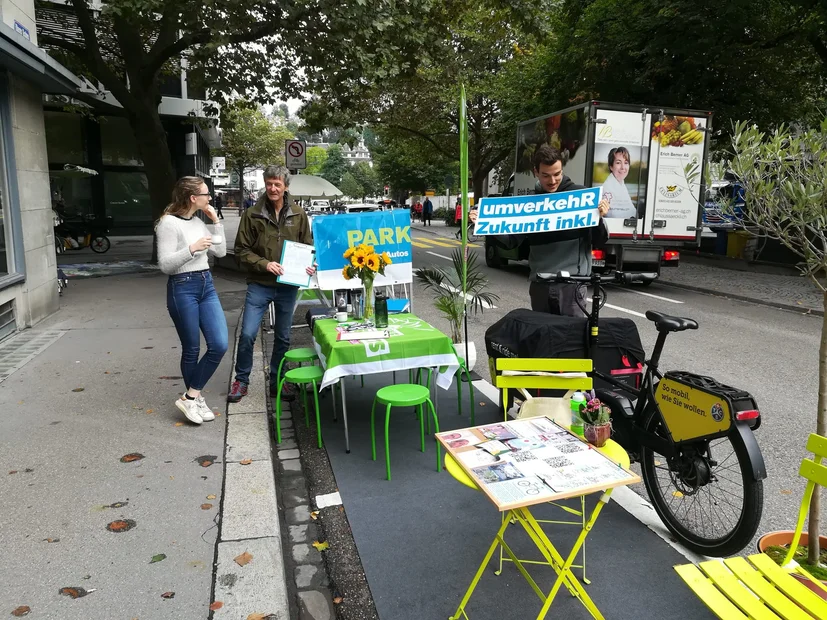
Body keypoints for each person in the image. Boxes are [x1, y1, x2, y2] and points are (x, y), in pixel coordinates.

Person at [471, 145, 610, 316]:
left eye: (557, 174)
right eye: (546, 175)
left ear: (562, 169)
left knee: (570, 339)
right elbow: (511, 241)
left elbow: (600, 240)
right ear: (535, 171)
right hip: (540, 285)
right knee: (542, 339)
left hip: (572, 284)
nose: (552, 181)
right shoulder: (531, 205)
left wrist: (600, 218)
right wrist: (485, 224)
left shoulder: (581, 197)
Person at [228, 165, 316, 403]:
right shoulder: (252, 214)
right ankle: (242, 380)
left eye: (277, 184)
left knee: (283, 337)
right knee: (247, 334)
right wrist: (265, 264)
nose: (273, 188)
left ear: (286, 186)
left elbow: (307, 247)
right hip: (260, 283)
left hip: (288, 285)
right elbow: (241, 251)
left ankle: (278, 381)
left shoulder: (298, 214)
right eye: (269, 184)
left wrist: (310, 264)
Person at [156, 176, 228, 424]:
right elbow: (164, 264)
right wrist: (192, 249)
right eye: (206, 194)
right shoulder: (168, 224)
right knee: (192, 349)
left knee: (219, 344)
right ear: (192, 198)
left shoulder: (198, 221)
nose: (210, 198)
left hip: (206, 284)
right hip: (182, 287)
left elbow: (220, 252)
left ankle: (190, 396)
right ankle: (195, 399)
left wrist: (216, 221)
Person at [601, 147, 637, 219]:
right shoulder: (607, 189)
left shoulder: (621, 184)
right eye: (618, 163)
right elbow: (614, 215)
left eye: (626, 163)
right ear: (611, 166)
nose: (623, 167)